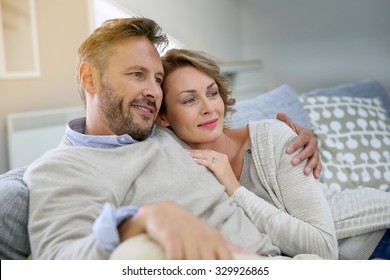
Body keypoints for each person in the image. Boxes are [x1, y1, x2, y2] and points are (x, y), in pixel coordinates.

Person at [25, 17, 323, 260]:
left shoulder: (161, 132)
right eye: (137, 74)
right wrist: (137, 221)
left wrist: (295, 135)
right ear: (89, 78)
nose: (154, 91)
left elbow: (214, 119)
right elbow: (59, 258)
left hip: (286, 260)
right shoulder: (59, 169)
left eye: (157, 79)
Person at [156, 48, 390, 260]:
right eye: (189, 100)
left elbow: (323, 250)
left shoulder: (271, 137)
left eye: (212, 93)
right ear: (163, 117)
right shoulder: (176, 162)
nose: (208, 108)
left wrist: (235, 190)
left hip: (375, 233)